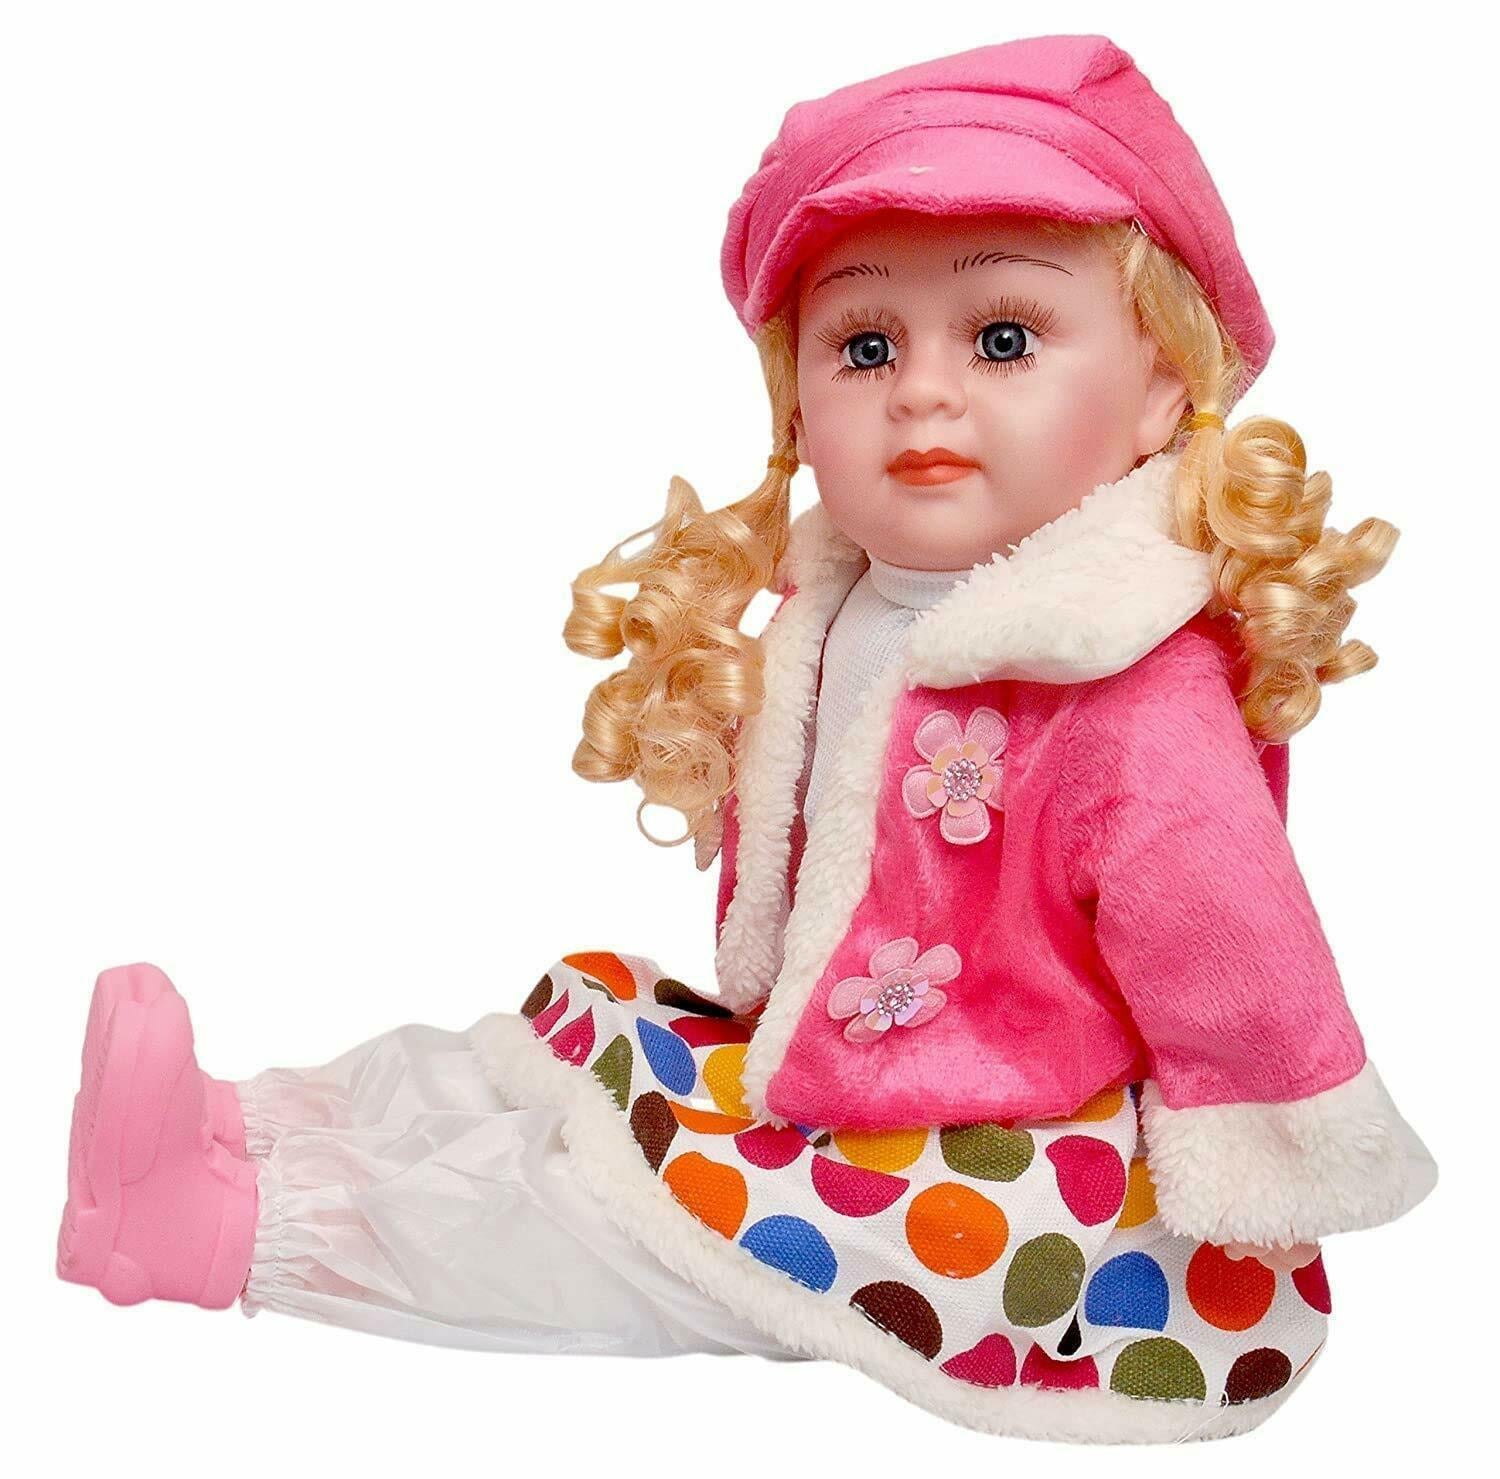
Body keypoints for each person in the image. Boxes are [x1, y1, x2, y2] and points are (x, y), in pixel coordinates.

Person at [57, 34, 1436, 1443]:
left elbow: (1235, 946)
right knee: (540, 1047)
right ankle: (244, 1123)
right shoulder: (841, 601)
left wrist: (1267, 1171)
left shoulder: (1124, 690)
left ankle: (219, 1226)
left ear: (1160, 387)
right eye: (865, 346)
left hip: (1001, 1144)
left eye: (1004, 338)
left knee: (612, 1227)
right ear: (796, 404)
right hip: (811, 1058)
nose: (922, 391)